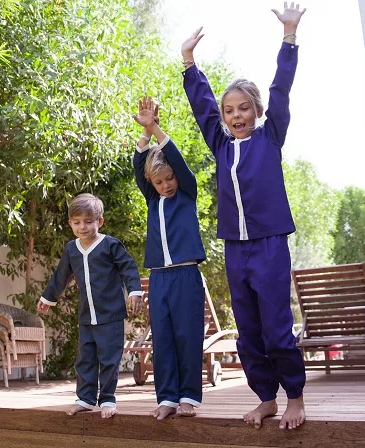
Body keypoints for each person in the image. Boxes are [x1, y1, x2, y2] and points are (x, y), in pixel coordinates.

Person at [181, 2, 307, 430]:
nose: (236, 115)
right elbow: (202, 106)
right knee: (248, 331)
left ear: (257, 111)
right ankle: (266, 398)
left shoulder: (270, 137)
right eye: (229, 110)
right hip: (236, 248)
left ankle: (294, 397)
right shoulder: (220, 144)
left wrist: (289, 37)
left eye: (243, 108)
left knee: (277, 327)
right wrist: (189, 63)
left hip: (270, 244)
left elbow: (281, 89)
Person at [132, 96, 207, 421]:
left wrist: (156, 129)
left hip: (186, 276)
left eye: (169, 179)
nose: (166, 186)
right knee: (162, 339)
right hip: (159, 278)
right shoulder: (152, 199)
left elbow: (175, 158)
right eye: (159, 182)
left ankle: (188, 397)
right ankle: (167, 398)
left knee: (187, 337)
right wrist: (144, 134)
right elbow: (139, 167)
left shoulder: (187, 192)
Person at [37, 193, 143, 419]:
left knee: (109, 359)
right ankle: (85, 398)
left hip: (111, 316)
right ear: (70, 223)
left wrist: (134, 291)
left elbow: (128, 268)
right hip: (86, 316)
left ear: (99, 221)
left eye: (88, 221)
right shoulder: (71, 249)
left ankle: (107, 399)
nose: (82, 227)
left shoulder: (110, 245)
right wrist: (48, 298)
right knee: (85, 359)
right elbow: (61, 276)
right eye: (77, 222)